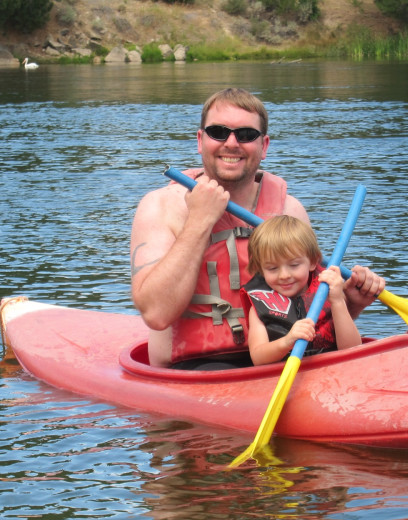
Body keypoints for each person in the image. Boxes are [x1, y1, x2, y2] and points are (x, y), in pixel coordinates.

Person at [130, 87, 385, 369]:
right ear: (200, 141)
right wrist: (200, 221)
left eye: (246, 135)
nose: (231, 143)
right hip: (198, 367)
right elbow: (156, 314)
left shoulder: (290, 211)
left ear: (263, 146)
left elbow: (314, 314)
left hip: (285, 360)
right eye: (218, 132)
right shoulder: (161, 207)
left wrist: (350, 302)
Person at [242, 215, 362, 366]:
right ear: (261, 269)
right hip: (280, 378)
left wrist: (338, 301)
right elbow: (258, 358)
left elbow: (353, 350)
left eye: (294, 265)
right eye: (272, 268)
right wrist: (287, 341)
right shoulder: (259, 304)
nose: (284, 275)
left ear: (312, 262)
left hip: (330, 375)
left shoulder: (330, 292)